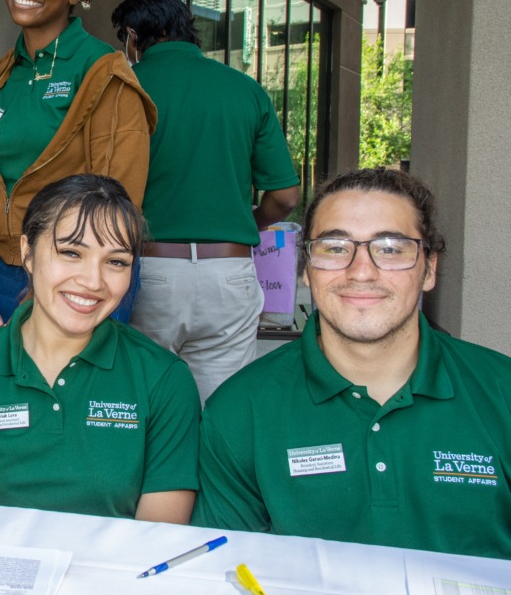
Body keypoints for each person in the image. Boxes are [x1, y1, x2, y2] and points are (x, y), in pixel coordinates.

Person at [194, 168, 511, 560]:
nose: (361, 271)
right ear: (306, 269)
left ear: (429, 269)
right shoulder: (240, 410)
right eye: (335, 248)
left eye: (391, 248)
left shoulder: (503, 394)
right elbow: (222, 571)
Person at [0, 174, 200, 521]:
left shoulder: (163, 379)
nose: (93, 282)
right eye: (71, 253)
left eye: (116, 262)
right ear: (28, 252)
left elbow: (159, 539)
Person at [112, 0, 299, 402]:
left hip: (148, 269)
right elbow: (285, 195)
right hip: (228, 273)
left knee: (142, 407)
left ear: (131, 35)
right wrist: (251, 223)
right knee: (218, 412)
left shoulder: (123, 87)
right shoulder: (245, 89)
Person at [0, 0, 156, 333]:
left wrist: (60, 279)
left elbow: (118, 195)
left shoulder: (103, 71)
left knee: (75, 393)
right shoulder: (1, 75)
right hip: (3, 271)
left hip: (80, 277)